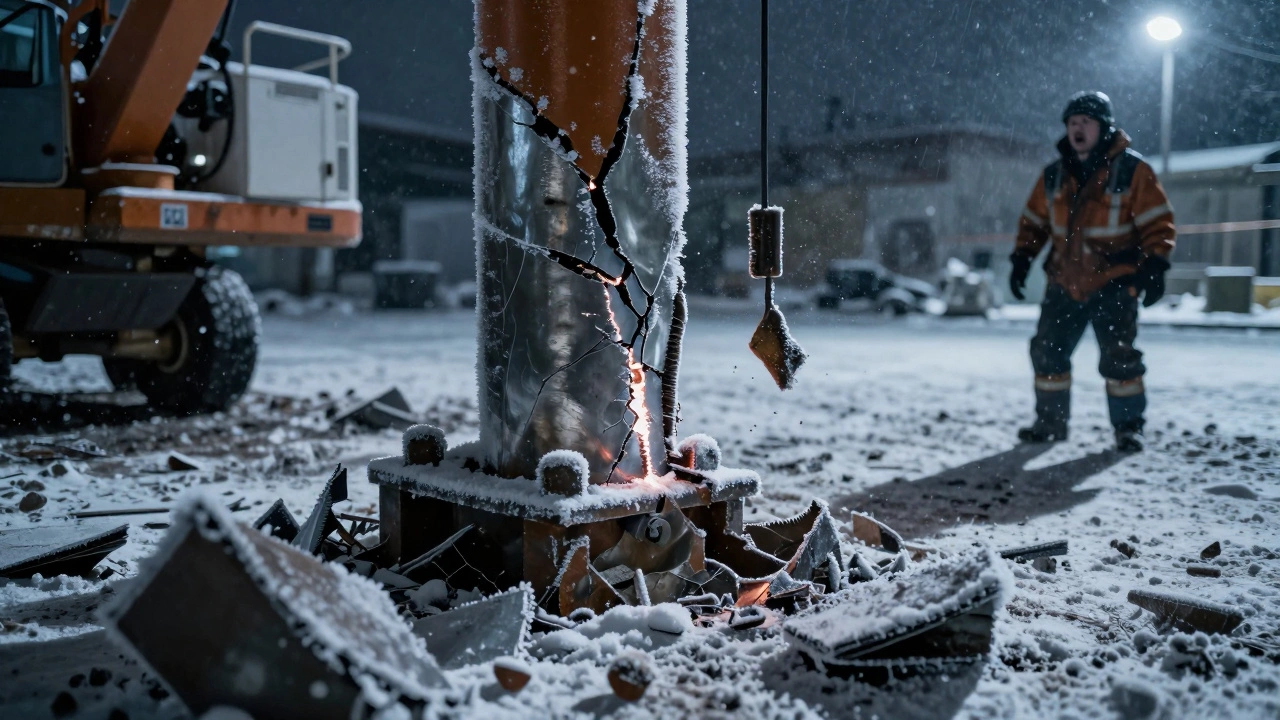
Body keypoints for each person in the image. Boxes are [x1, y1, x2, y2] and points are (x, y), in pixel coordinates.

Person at [1009, 91, 1175, 452]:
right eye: (1072, 123)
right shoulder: (1053, 176)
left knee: (1119, 357)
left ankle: (1129, 427)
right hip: (1064, 281)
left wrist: (1156, 264)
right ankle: (1050, 423)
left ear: (1104, 127)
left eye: (1086, 122)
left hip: (1114, 281)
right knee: (1047, 353)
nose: (1078, 129)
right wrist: (1021, 258)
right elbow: (1034, 223)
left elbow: (1157, 222)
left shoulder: (1133, 171)